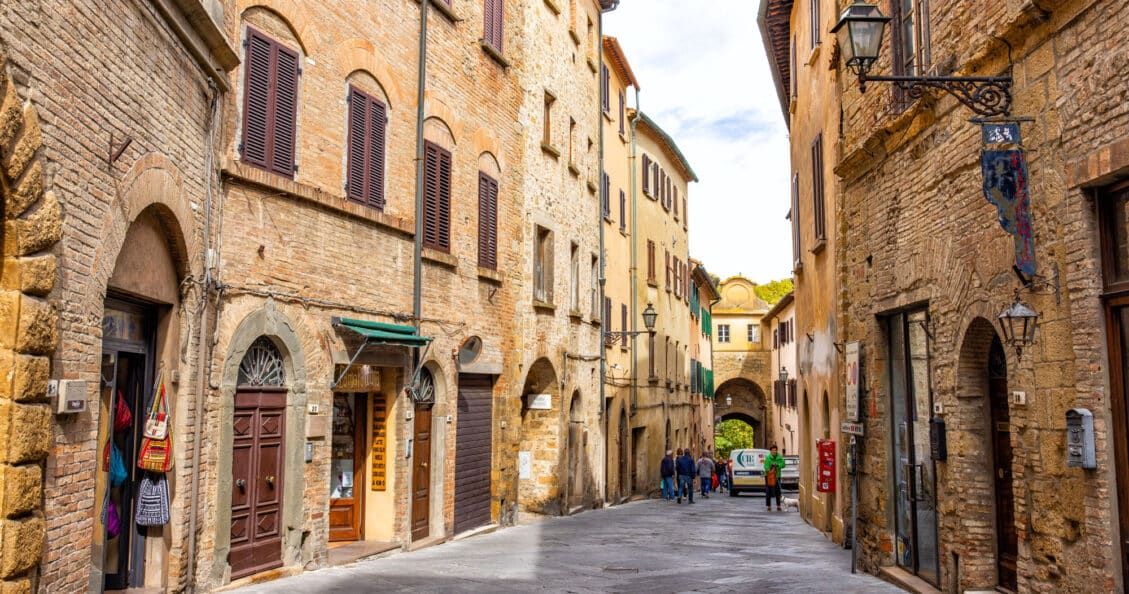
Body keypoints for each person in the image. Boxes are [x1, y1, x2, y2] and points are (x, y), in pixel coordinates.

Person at [764, 444, 786, 511]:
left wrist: (777, 465)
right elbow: (766, 467)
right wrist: (771, 467)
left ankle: (778, 505)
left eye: (775, 450)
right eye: (773, 450)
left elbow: (783, 465)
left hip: (777, 476)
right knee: (768, 491)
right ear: (770, 451)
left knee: (778, 491)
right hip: (769, 477)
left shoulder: (779, 457)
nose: (774, 451)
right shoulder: (768, 458)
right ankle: (769, 506)